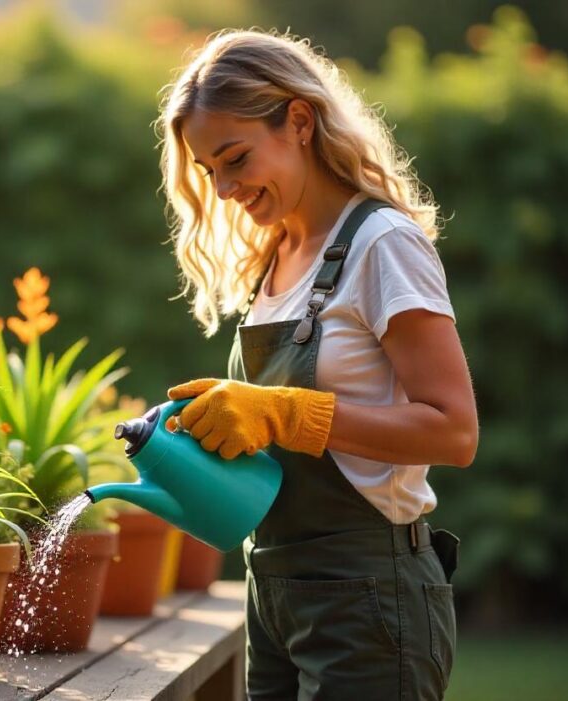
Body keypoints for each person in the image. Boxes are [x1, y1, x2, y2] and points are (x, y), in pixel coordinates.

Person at [157, 29, 479, 700]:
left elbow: (454, 431)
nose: (221, 189)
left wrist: (285, 411)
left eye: (235, 158)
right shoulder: (273, 256)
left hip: (369, 602)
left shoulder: (382, 243)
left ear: (299, 121)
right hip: (272, 594)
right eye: (207, 168)